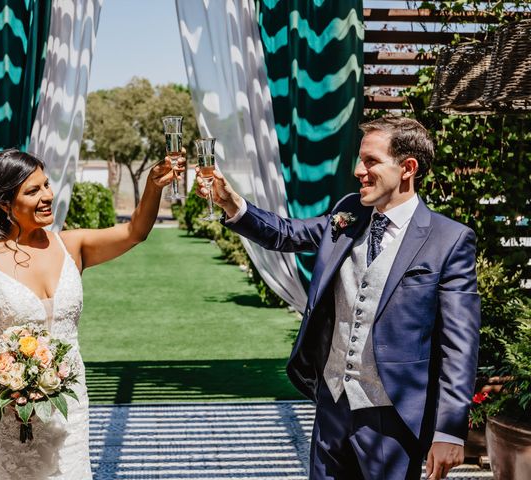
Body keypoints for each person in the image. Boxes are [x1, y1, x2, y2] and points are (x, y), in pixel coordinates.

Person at [196, 116, 480, 480]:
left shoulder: (449, 239)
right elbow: (286, 233)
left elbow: (459, 345)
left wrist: (449, 429)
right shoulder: (349, 213)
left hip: (392, 416)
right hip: (333, 403)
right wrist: (232, 203)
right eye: (360, 160)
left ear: (408, 168)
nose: (359, 170)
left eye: (371, 161)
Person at [0, 148, 184, 479]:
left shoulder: (71, 245)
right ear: (4, 203)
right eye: (33, 191)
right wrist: (2, 386)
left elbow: (134, 232)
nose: (47, 196)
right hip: (7, 412)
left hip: (69, 407)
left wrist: (154, 186)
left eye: (46, 185)